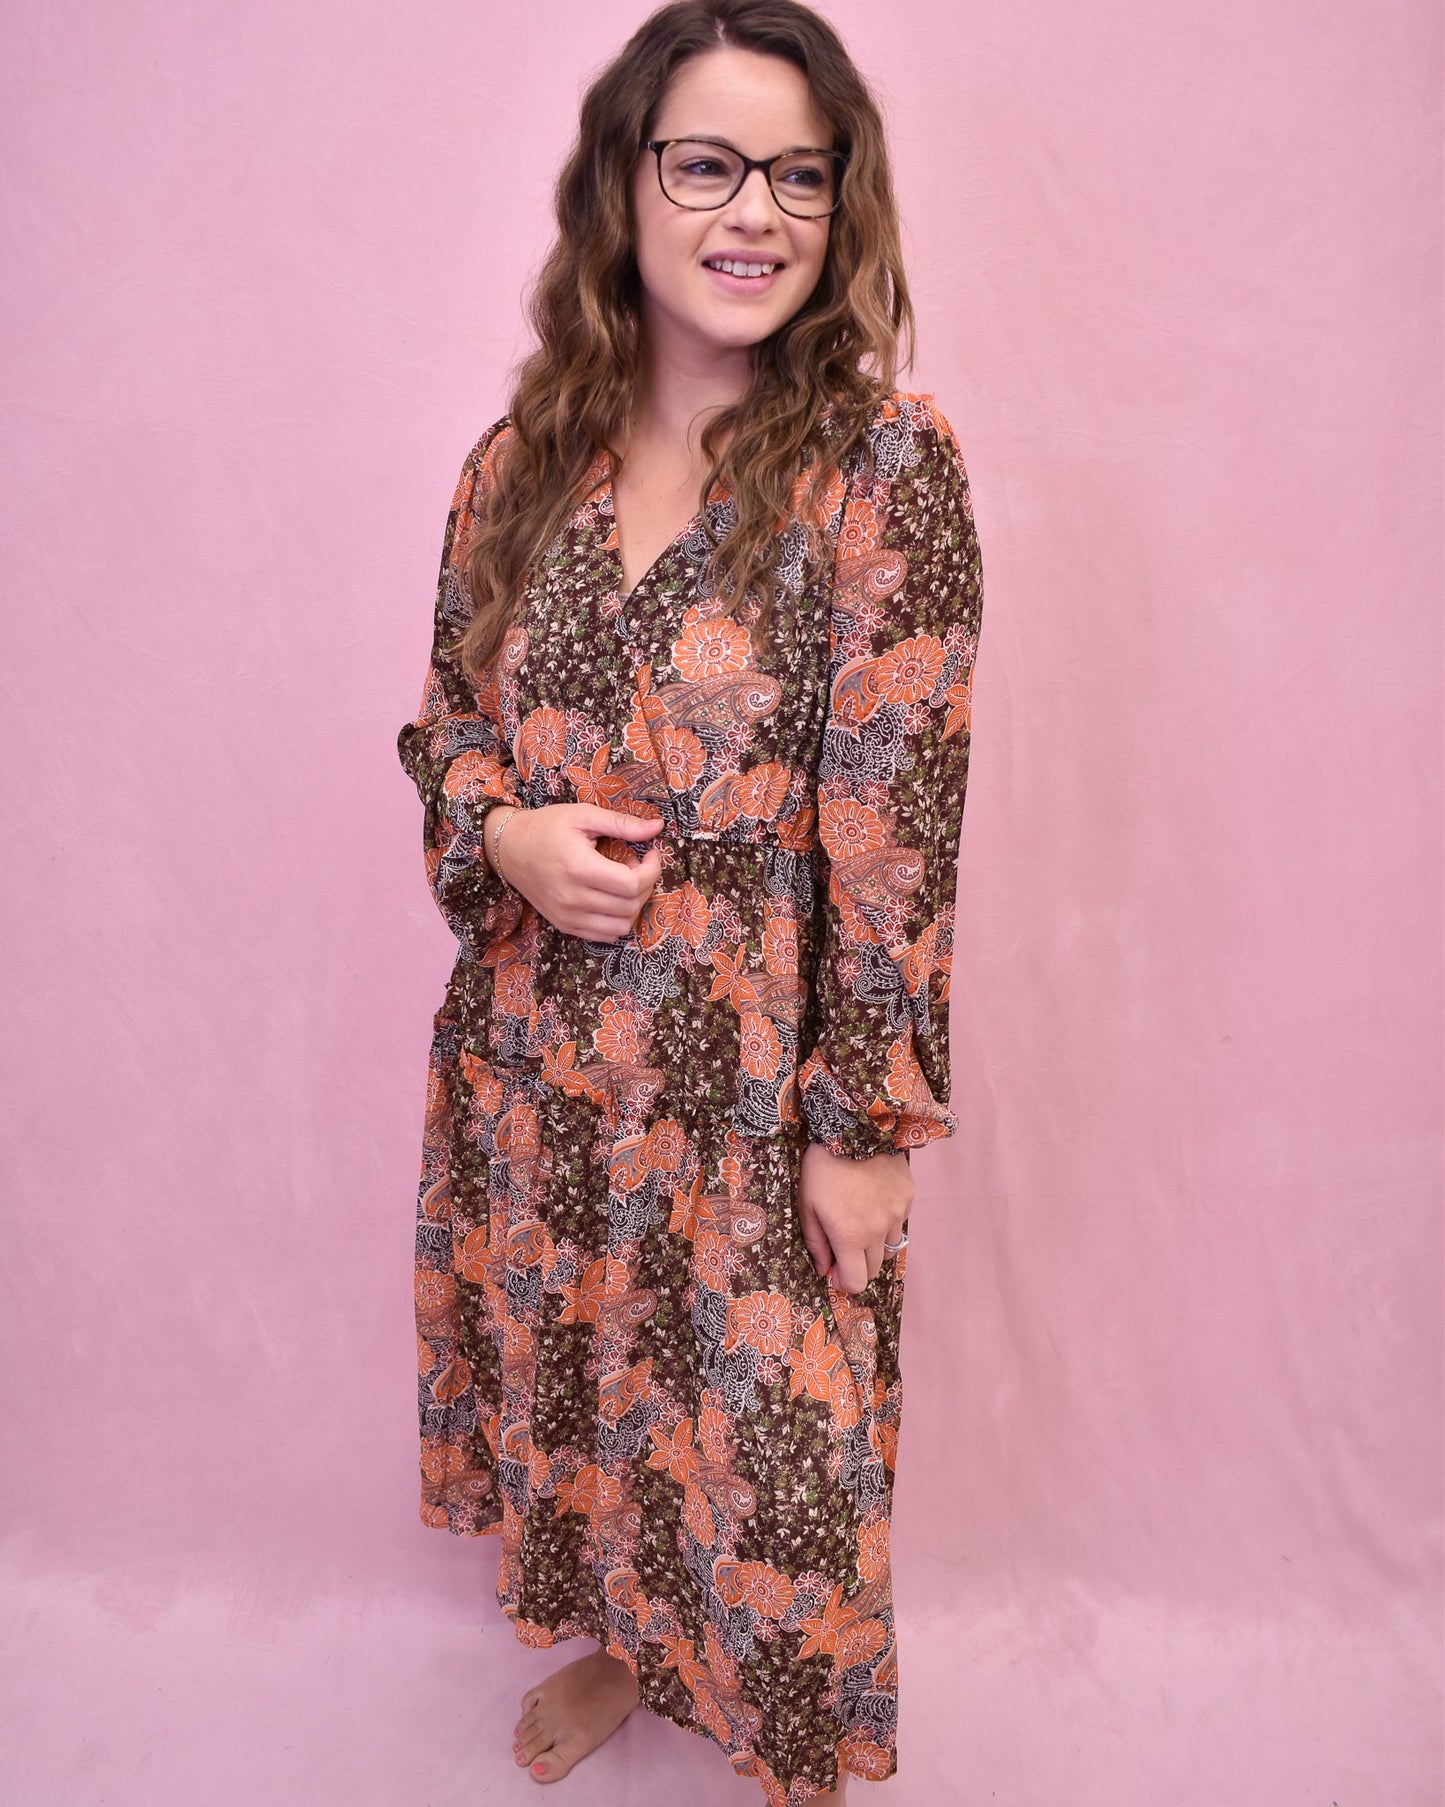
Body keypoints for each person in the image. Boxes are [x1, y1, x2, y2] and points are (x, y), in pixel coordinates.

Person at [396, 2, 984, 1800]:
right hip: (539, 1065)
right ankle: (630, 1651)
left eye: (801, 176)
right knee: (594, 1406)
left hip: (750, 1074)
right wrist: (502, 836)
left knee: (780, 1470)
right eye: (710, 164)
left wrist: (861, 1123)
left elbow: (899, 824)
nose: (757, 214)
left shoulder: (881, 470)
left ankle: (790, 1750)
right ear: (624, 184)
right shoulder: (517, 465)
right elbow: (447, 732)